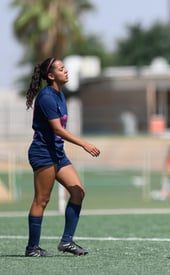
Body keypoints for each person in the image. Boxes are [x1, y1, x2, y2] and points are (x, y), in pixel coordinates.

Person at [24, 57, 101, 257]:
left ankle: (66, 242)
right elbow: (57, 129)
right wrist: (84, 143)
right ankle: (32, 248)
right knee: (42, 200)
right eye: (61, 69)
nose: (66, 71)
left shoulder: (60, 95)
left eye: (65, 68)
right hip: (43, 152)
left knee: (78, 192)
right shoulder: (47, 96)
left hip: (57, 153)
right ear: (51, 76)